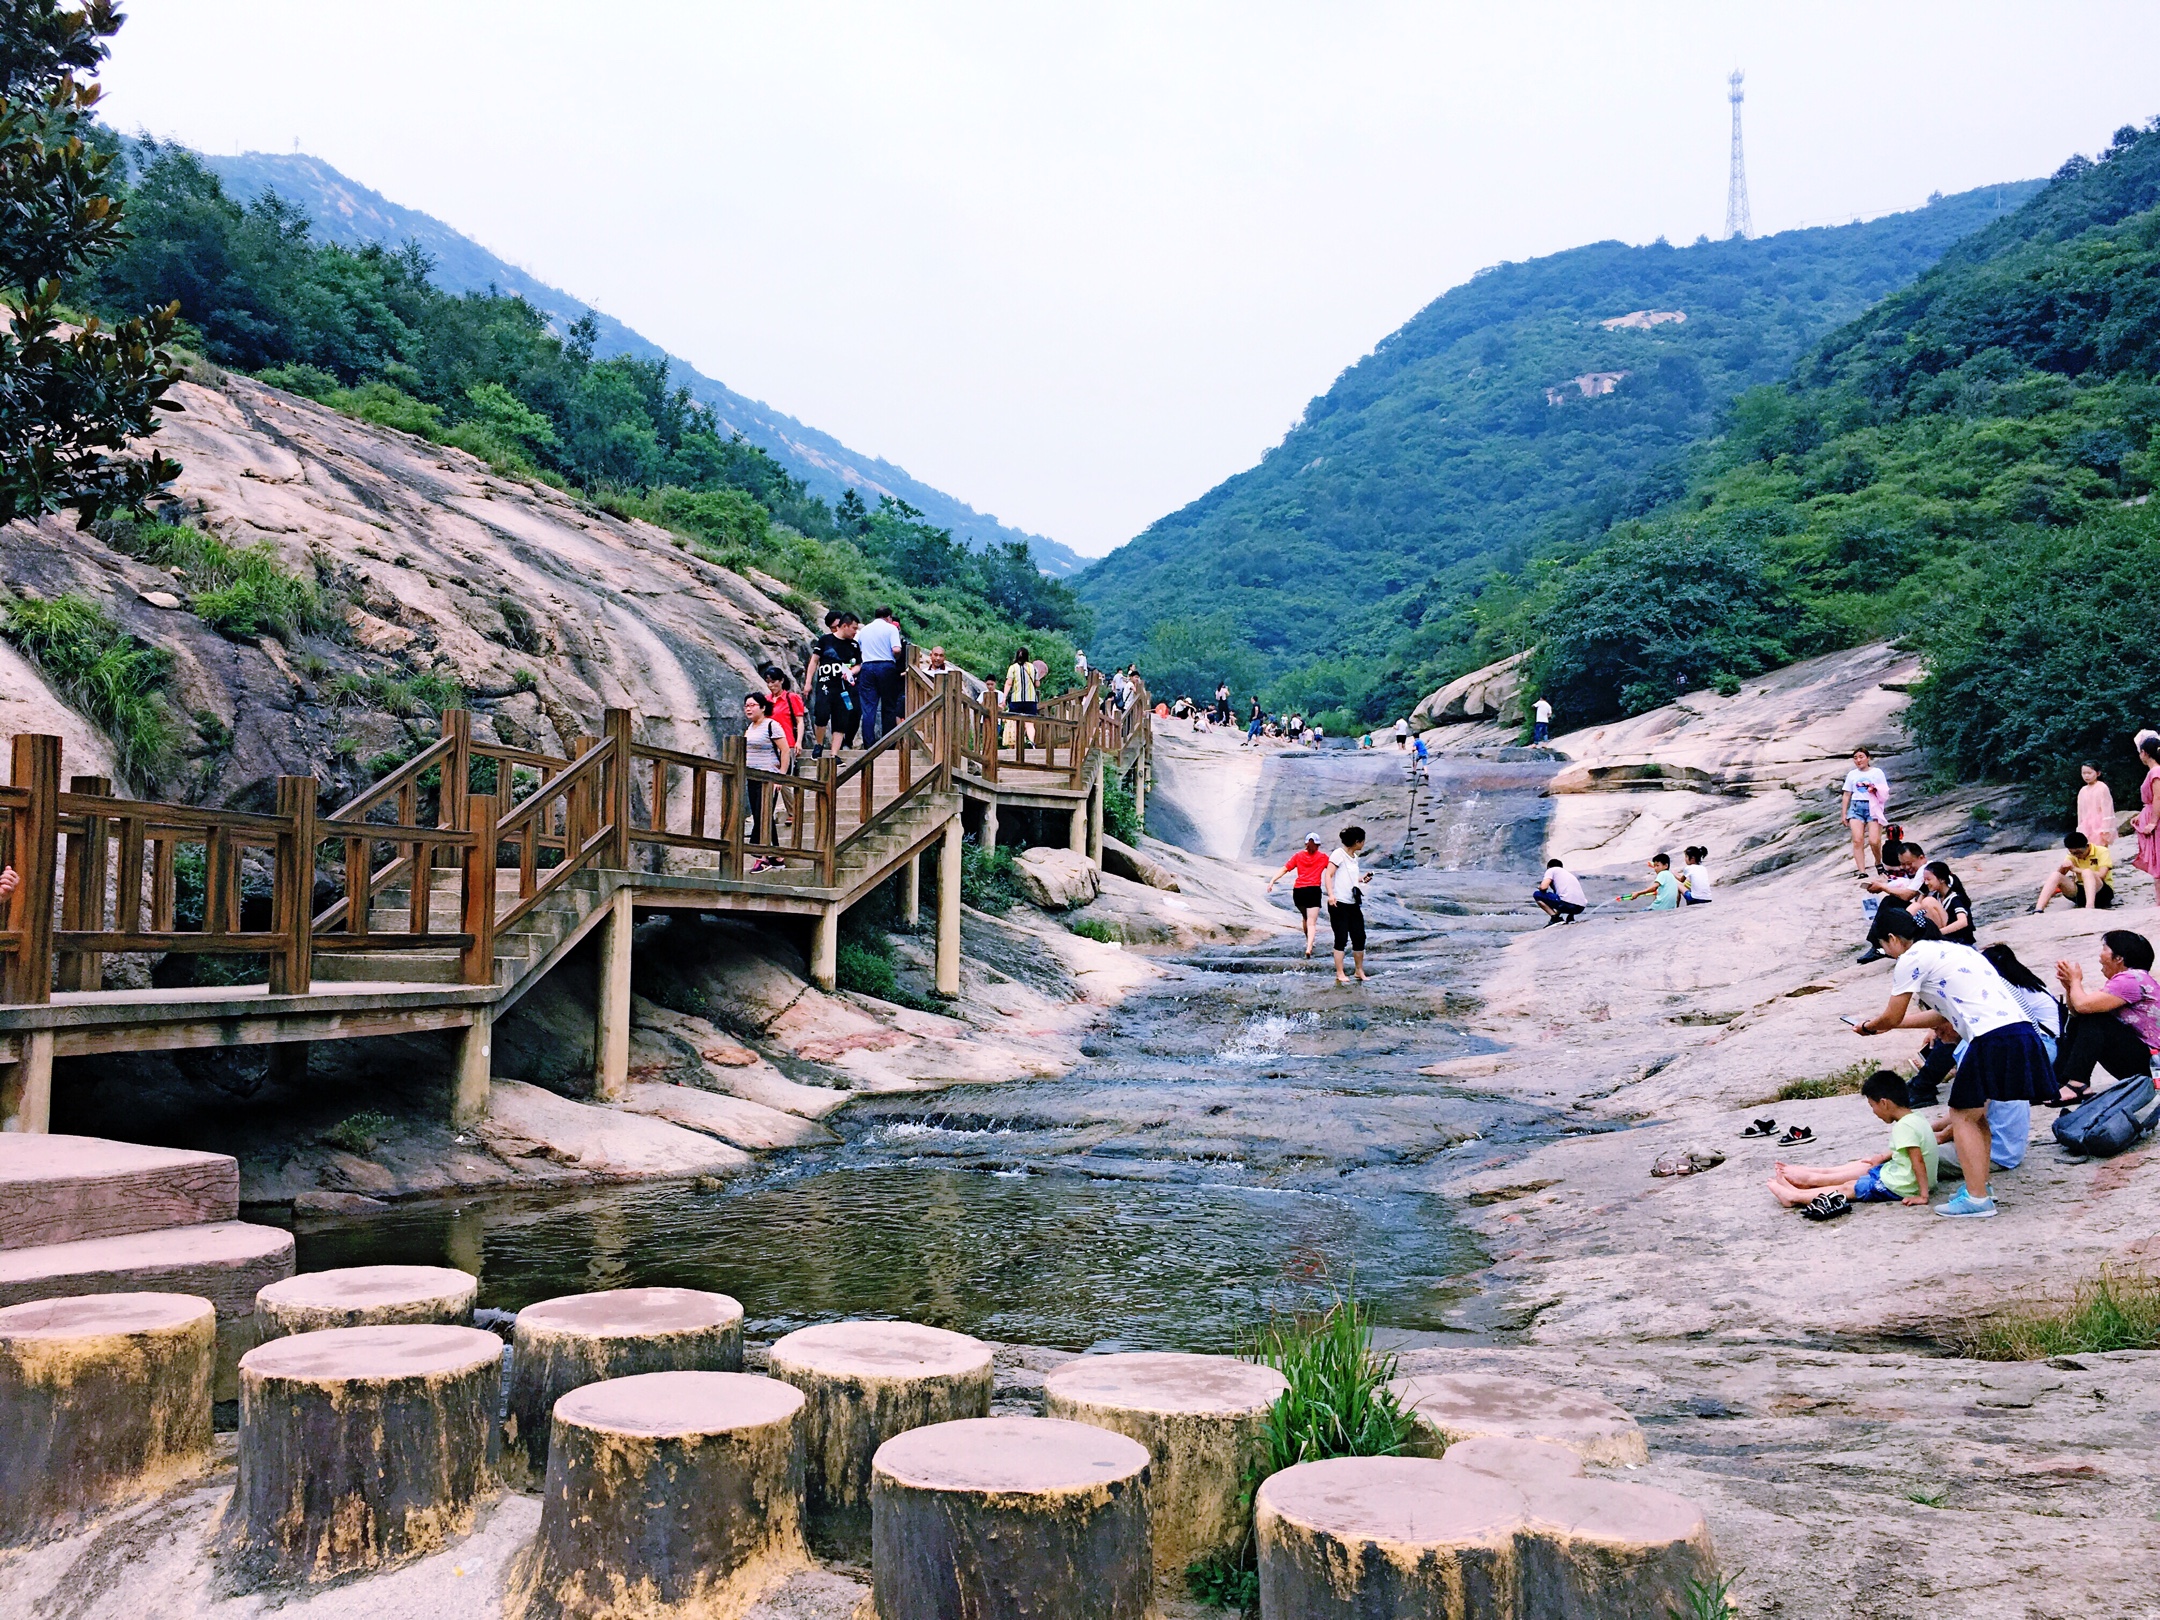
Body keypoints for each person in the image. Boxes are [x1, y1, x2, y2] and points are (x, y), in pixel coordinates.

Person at [1851, 907, 2054, 1217]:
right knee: (1973, 1113)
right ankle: (1980, 1188)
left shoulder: (1911, 959)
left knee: (1962, 1114)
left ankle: (1977, 1199)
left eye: (1883, 946)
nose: (1886, 953)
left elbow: (1891, 1015)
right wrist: (1893, 1024)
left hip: (1990, 1035)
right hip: (2017, 1029)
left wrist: (1869, 1026)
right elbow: (1941, 1015)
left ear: (1892, 939)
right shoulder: (1956, 950)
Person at [1766, 1071, 1937, 1212]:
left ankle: (1794, 1196)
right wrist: (1883, 1157)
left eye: (1872, 1106)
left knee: (1849, 1188)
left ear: (1884, 1103)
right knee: (1865, 1166)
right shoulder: (1916, 1118)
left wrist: (1923, 1195)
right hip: (1904, 1178)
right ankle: (1807, 1181)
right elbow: (1911, 1149)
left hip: (1904, 1186)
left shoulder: (1903, 1127)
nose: (1874, 1112)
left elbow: (1918, 1160)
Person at [2051, 930, 2160, 1105]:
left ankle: (2078, 1085)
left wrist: (2076, 981)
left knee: (2097, 1020)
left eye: (2104, 949)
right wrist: (2070, 986)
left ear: (2119, 958)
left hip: (2153, 1065)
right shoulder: (2129, 979)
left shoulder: (2131, 979)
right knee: (2083, 1019)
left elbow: (2083, 1006)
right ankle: (2062, 1081)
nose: (2100, 956)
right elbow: (2078, 1012)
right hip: (2145, 1062)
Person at [740, 691, 795, 856]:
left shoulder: (771, 725)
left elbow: (785, 750)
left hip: (769, 776)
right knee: (760, 815)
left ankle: (760, 850)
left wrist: (780, 777)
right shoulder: (750, 728)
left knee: (763, 814)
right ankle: (774, 854)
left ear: (763, 707)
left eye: (752, 705)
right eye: (746, 706)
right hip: (753, 777)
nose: (748, 709)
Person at [799, 610, 861, 757]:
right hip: (825, 685)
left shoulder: (853, 646)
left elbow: (859, 664)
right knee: (821, 715)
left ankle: (834, 754)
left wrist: (851, 672)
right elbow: (814, 660)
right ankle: (819, 745)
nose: (855, 632)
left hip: (844, 688)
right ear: (844, 626)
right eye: (854, 628)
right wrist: (808, 682)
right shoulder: (825, 640)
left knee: (841, 720)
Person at [1856, 842, 1928, 963]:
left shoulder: (1926, 870)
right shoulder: (1918, 872)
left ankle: (1879, 945)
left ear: (1921, 858)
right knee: (1891, 902)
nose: (1906, 867)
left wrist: (1883, 888)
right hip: (1923, 910)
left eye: (1909, 863)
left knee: (1890, 903)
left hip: (1927, 914)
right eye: (1903, 864)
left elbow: (1907, 895)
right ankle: (1881, 944)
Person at [1268, 833, 1333, 958]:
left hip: (1299, 891)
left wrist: (1272, 881)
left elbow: (1284, 869)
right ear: (1318, 845)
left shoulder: (1298, 856)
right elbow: (1334, 869)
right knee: (1312, 922)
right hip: (1313, 890)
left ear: (1305, 844)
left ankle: (1307, 941)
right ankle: (1309, 947)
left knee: (1305, 918)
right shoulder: (1323, 857)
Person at [1324, 825, 1372, 985]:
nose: (1364, 843)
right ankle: (1340, 972)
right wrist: (1331, 895)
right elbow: (1328, 874)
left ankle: (1359, 970)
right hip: (1338, 903)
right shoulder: (1338, 854)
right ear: (1357, 841)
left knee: (1359, 936)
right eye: (1362, 841)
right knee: (1341, 938)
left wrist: (1362, 879)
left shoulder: (1354, 858)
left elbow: (1349, 877)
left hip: (1352, 902)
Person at [854, 606, 904, 745]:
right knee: (889, 706)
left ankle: (869, 745)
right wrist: (898, 657)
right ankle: (887, 744)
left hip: (867, 667)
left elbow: (855, 646)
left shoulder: (864, 630)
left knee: (868, 708)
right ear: (889, 617)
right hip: (886, 667)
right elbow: (896, 649)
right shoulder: (891, 628)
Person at [2034, 830, 2114, 913]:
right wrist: (2063, 867)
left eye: (2079, 853)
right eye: (2073, 853)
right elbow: (2060, 876)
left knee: (2087, 872)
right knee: (2055, 875)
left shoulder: (2102, 851)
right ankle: (2039, 908)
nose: (2077, 856)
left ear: (2087, 846)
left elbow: (2102, 874)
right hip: (2080, 892)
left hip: (2101, 891)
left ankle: (2090, 907)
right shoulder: (2072, 856)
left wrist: (2075, 869)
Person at [1841, 748, 1889, 878]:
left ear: (1868, 758)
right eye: (1855, 758)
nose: (1858, 760)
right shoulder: (1852, 775)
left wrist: (1874, 789)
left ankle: (1878, 863)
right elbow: (1846, 794)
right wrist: (1844, 814)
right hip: (1856, 807)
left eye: (1861, 757)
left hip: (1873, 806)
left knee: (1874, 840)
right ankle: (1862, 871)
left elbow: (1885, 791)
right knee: (1857, 840)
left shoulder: (1877, 772)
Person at [1916, 860, 1974, 946]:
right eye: (1924, 880)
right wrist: (1923, 891)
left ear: (1942, 879)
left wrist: (1938, 933)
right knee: (1914, 906)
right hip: (1946, 936)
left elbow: (1963, 922)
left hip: (1959, 939)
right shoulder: (1937, 896)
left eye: (1928, 879)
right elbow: (1918, 907)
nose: (1926, 883)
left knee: (1928, 901)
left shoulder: (1955, 898)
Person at [2133, 734, 2160, 895]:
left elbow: (2158, 796)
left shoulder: (2156, 771)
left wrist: (2152, 821)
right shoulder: (2154, 771)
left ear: (2144, 753)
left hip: (2156, 820)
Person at [1002, 644, 1040, 748]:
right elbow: (1037, 684)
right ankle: (1031, 742)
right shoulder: (1033, 667)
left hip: (1016, 700)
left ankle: (1016, 746)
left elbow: (1009, 683)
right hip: (1031, 700)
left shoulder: (1012, 668)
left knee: (1015, 723)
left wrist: (1004, 698)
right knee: (1029, 723)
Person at [761, 666, 806, 750]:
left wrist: (798, 742)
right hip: (767, 744)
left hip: (787, 743)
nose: (770, 685)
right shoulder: (766, 700)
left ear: (781, 680)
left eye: (773, 682)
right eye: (768, 682)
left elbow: (800, 721)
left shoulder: (792, 698)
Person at [1533, 858, 1587, 925]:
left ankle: (1554, 918)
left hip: (1567, 904)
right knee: (1564, 896)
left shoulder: (1551, 870)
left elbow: (1544, 887)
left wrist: (1540, 887)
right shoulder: (1568, 874)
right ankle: (1570, 917)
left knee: (1537, 894)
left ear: (1548, 867)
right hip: (1580, 908)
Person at [2077, 763, 2117, 850]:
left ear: (2098, 773)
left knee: (2100, 849)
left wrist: (2106, 827)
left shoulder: (2102, 787)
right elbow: (2080, 811)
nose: (2086, 776)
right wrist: (2080, 825)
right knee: (2088, 849)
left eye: (2089, 773)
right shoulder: (2082, 790)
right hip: (2086, 824)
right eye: (2084, 773)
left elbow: (2107, 808)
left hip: (2100, 823)